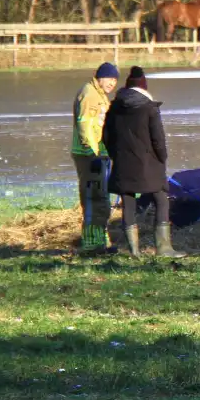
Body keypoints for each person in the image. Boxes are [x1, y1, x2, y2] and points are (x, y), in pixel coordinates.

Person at [105, 66, 184, 258]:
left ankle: (134, 251)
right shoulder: (149, 108)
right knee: (161, 199)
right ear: (144, 87)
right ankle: (164, 248)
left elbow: (106, 136)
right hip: (149, 164)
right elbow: (158, 139)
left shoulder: (114, 107)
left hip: (124, 163)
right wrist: (162, 158)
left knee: (129, 204)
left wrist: (117, 155)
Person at [72, 62, 118, 255]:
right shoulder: (90, 94)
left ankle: (101, 241)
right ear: (99, 77)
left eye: (115, 80)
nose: (112, 83)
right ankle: (91, 244)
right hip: (89, 155)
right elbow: (84, 125)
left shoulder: (99, 94)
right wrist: (92, 153)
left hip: (100, 154)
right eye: (109, 79)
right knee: (94, 199)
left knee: (102, 198)